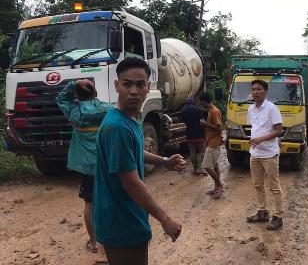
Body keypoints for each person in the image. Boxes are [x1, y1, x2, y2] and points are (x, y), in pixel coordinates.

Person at [93, 57, 184, 265]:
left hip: (128, 215)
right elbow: (130, 182)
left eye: (140, 84)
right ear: (117, 86)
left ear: (148, 87)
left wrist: (164, 161)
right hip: (120, 221)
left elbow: (134, 153)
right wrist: (165, 219)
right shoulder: (118, 127)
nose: (134, 91)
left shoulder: (130, 119)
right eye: (127, 84)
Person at [56, 79, 113, 263]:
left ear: (78, 96)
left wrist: (74, 83)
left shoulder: (75, 112)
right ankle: (107, 246)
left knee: (90, 204)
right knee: (108, 204)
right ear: (95, 92)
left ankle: (94, 242)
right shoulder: (107, 109)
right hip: (107, 164)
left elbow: (61, 98)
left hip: (87, 167)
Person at [246, 79, 284, 230]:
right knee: (258, 185)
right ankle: (262, 212)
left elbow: (278, 130)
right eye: (253, 89)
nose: (255, 92)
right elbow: (255, 128)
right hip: (255, 154)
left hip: (269, 154)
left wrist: (261, 139)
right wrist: (255, 140)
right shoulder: (251, 109)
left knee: (274, 186)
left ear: (265, 91)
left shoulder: (272, 108)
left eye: (259, 89)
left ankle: (278, 217)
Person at [199, 92, 224, 199]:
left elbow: (219, 128)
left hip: (214, 143)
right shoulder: (211, 111)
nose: (201, 104)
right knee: (215, 166)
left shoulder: (214, 111)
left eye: (201, 102)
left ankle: (219, 185)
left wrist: (205, 124)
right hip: (211, 142)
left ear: (204, 101)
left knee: (206, 166)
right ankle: (216, 188)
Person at [179, 97, 207, 175]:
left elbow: (183, 121)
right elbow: (202, 122)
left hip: (190, 135)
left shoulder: (184, 112)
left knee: (192, 153)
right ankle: (201, 168)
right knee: (201, 152)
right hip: (199, 135)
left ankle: (195, 169)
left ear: (187, 104)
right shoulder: (198, 111)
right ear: (193, 103)